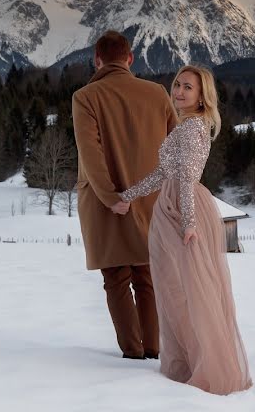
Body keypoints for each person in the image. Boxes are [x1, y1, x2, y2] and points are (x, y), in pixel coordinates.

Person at [116, 65, 252, 395]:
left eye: (187, 87)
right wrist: (129, 197)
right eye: (177, 84)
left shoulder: (193, 130)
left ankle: (209, 367)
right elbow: (165, 173)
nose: (178, 91)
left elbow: (187, 181)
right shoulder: (187, 126)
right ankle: (189, 360)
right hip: (171, 206)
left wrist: (189, 224)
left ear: (202, 97)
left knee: (193, 290)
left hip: (182, 209)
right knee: (172, 289)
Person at [72, 31, 177, 360]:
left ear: (97, 60)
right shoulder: (158, 94)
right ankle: (153, 347)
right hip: (150, 197)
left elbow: (91, 155)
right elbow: (175, 151)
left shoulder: (86, 97)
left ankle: (132, 353)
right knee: (146, 274)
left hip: (107, 203)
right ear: (130, 59)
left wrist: (110, 196)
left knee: (116, 277)